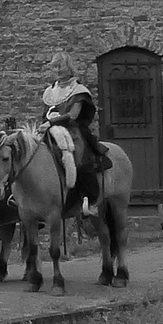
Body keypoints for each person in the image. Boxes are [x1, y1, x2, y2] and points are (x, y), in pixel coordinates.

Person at [40, 51, 111, 217]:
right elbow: (44, 114)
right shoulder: (50, 91)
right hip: (51, 131)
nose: (57, 70)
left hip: (73, 131)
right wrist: (46, 123)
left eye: (61, 66)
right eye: (54, 67)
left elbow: (73, 115)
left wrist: (52, 122)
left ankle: (90, 198)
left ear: (68, 67)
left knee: (80, 159)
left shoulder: (78, 90)